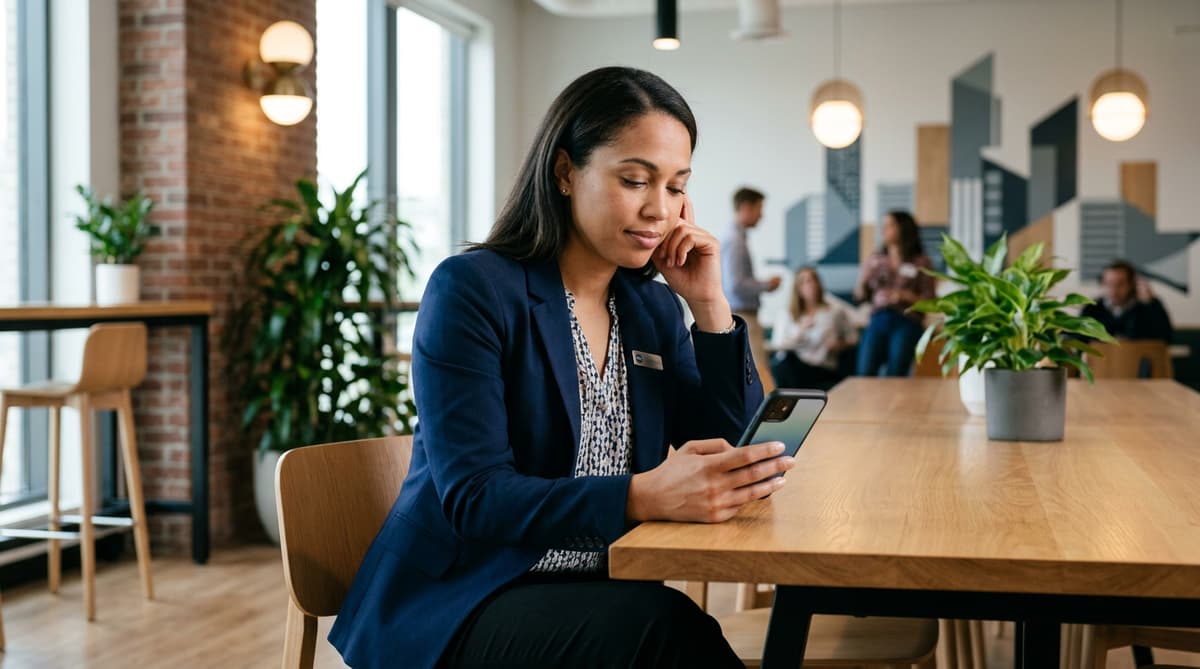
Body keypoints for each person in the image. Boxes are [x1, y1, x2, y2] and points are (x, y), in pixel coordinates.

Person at [328, 67, 795, 669]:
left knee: (661, 627)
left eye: (677, 187)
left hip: (599, 591)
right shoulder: (472, 290)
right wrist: (639, 496)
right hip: (467, 598)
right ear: (565, 172)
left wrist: (709, 306)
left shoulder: (651, 308)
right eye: (635, 180)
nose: (659, 209)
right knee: (664, 630)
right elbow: (475, 498)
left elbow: (729, 445)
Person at [854, 210, 936, 377]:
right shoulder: (875, 259)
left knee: (896, 371)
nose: (884, 229)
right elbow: (859, 297)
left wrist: (906, 296)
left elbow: (931, 302)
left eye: (890, 225)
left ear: (903, 228)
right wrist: (863, 279)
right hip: (878, 318)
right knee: (864, 370)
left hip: (907, 319)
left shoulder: (921, 262)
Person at [721, 187, 782, 371]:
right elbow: (736, 285)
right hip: (743, 316)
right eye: (759, 209)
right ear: (746, 207)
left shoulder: (734, 237)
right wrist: (767, 285)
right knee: (759, 372)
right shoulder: (735, 241)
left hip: (739, 315)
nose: (762, 215)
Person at [769, 266, 855, 390]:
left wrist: (840, 345)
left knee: (785, 369)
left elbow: (853, 337)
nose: (810, 285)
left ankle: (793, 397)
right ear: (797, 288)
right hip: (796, 365)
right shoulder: (787, 315)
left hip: (823, 366)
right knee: (783, 363)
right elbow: (778, 345)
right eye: (804, 281)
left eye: (813, 280)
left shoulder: (834, 311)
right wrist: (801, 330)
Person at [1081, 260, 1174, 342]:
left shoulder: (1147, 306)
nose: (1113, 290)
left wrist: (1151, 304)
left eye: (1120, 284)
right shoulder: (1092, 308)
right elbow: (1080, 339)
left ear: (1132, 285)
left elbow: (1165, 337)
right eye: (1108, 283)